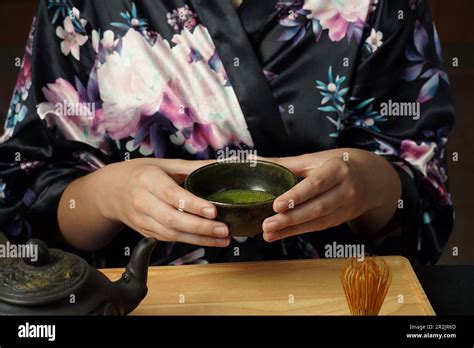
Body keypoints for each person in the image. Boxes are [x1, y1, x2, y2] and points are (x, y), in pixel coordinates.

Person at [0, 0, 454, 267]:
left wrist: (365, 183)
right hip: (142, 301)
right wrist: (113, 195)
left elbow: (420, 195)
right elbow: (29, 195)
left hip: (329, 297)